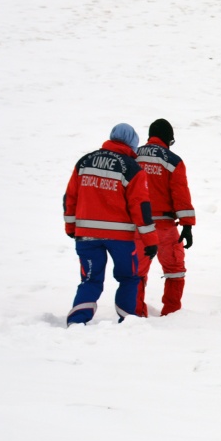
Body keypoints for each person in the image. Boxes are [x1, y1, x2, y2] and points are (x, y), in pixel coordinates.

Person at [63, 123, 158, 324]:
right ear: (132, 144)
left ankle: (77, 321)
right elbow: (140, 207)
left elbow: (70, 197)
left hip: (86, 236)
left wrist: (71, 228)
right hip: (120, 238)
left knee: (90, 279)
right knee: (129, 278)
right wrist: (150, 241)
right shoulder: (132, 168)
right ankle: (127, 320)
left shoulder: (84, 162)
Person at [135, 118, 195, 315]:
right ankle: (172, 312)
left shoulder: (131, 157)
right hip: (164, 225)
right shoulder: (173, 161)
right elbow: (180, 194)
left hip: (138, 225)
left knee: (137, 271)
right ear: (168, 138)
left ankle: (135, 313)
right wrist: (187, 225)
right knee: (175, 269)